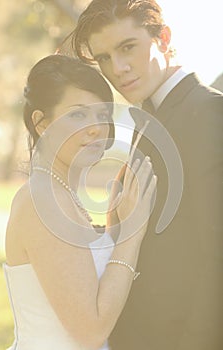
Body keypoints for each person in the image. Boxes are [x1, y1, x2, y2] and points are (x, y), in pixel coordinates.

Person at [57, 1, 223, 349]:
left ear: (163, 38)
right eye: (103, 57)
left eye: (127, 47)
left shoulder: (210, 112)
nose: (117, 68)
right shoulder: (147, 119)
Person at [3, 54, 157, 350]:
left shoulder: (62, 195)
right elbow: (90, 330)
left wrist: (114, 228)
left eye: (102, 115)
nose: (96, 127)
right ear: (41, 123)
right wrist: (131, 233)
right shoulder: (41, 201)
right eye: (78, 114)